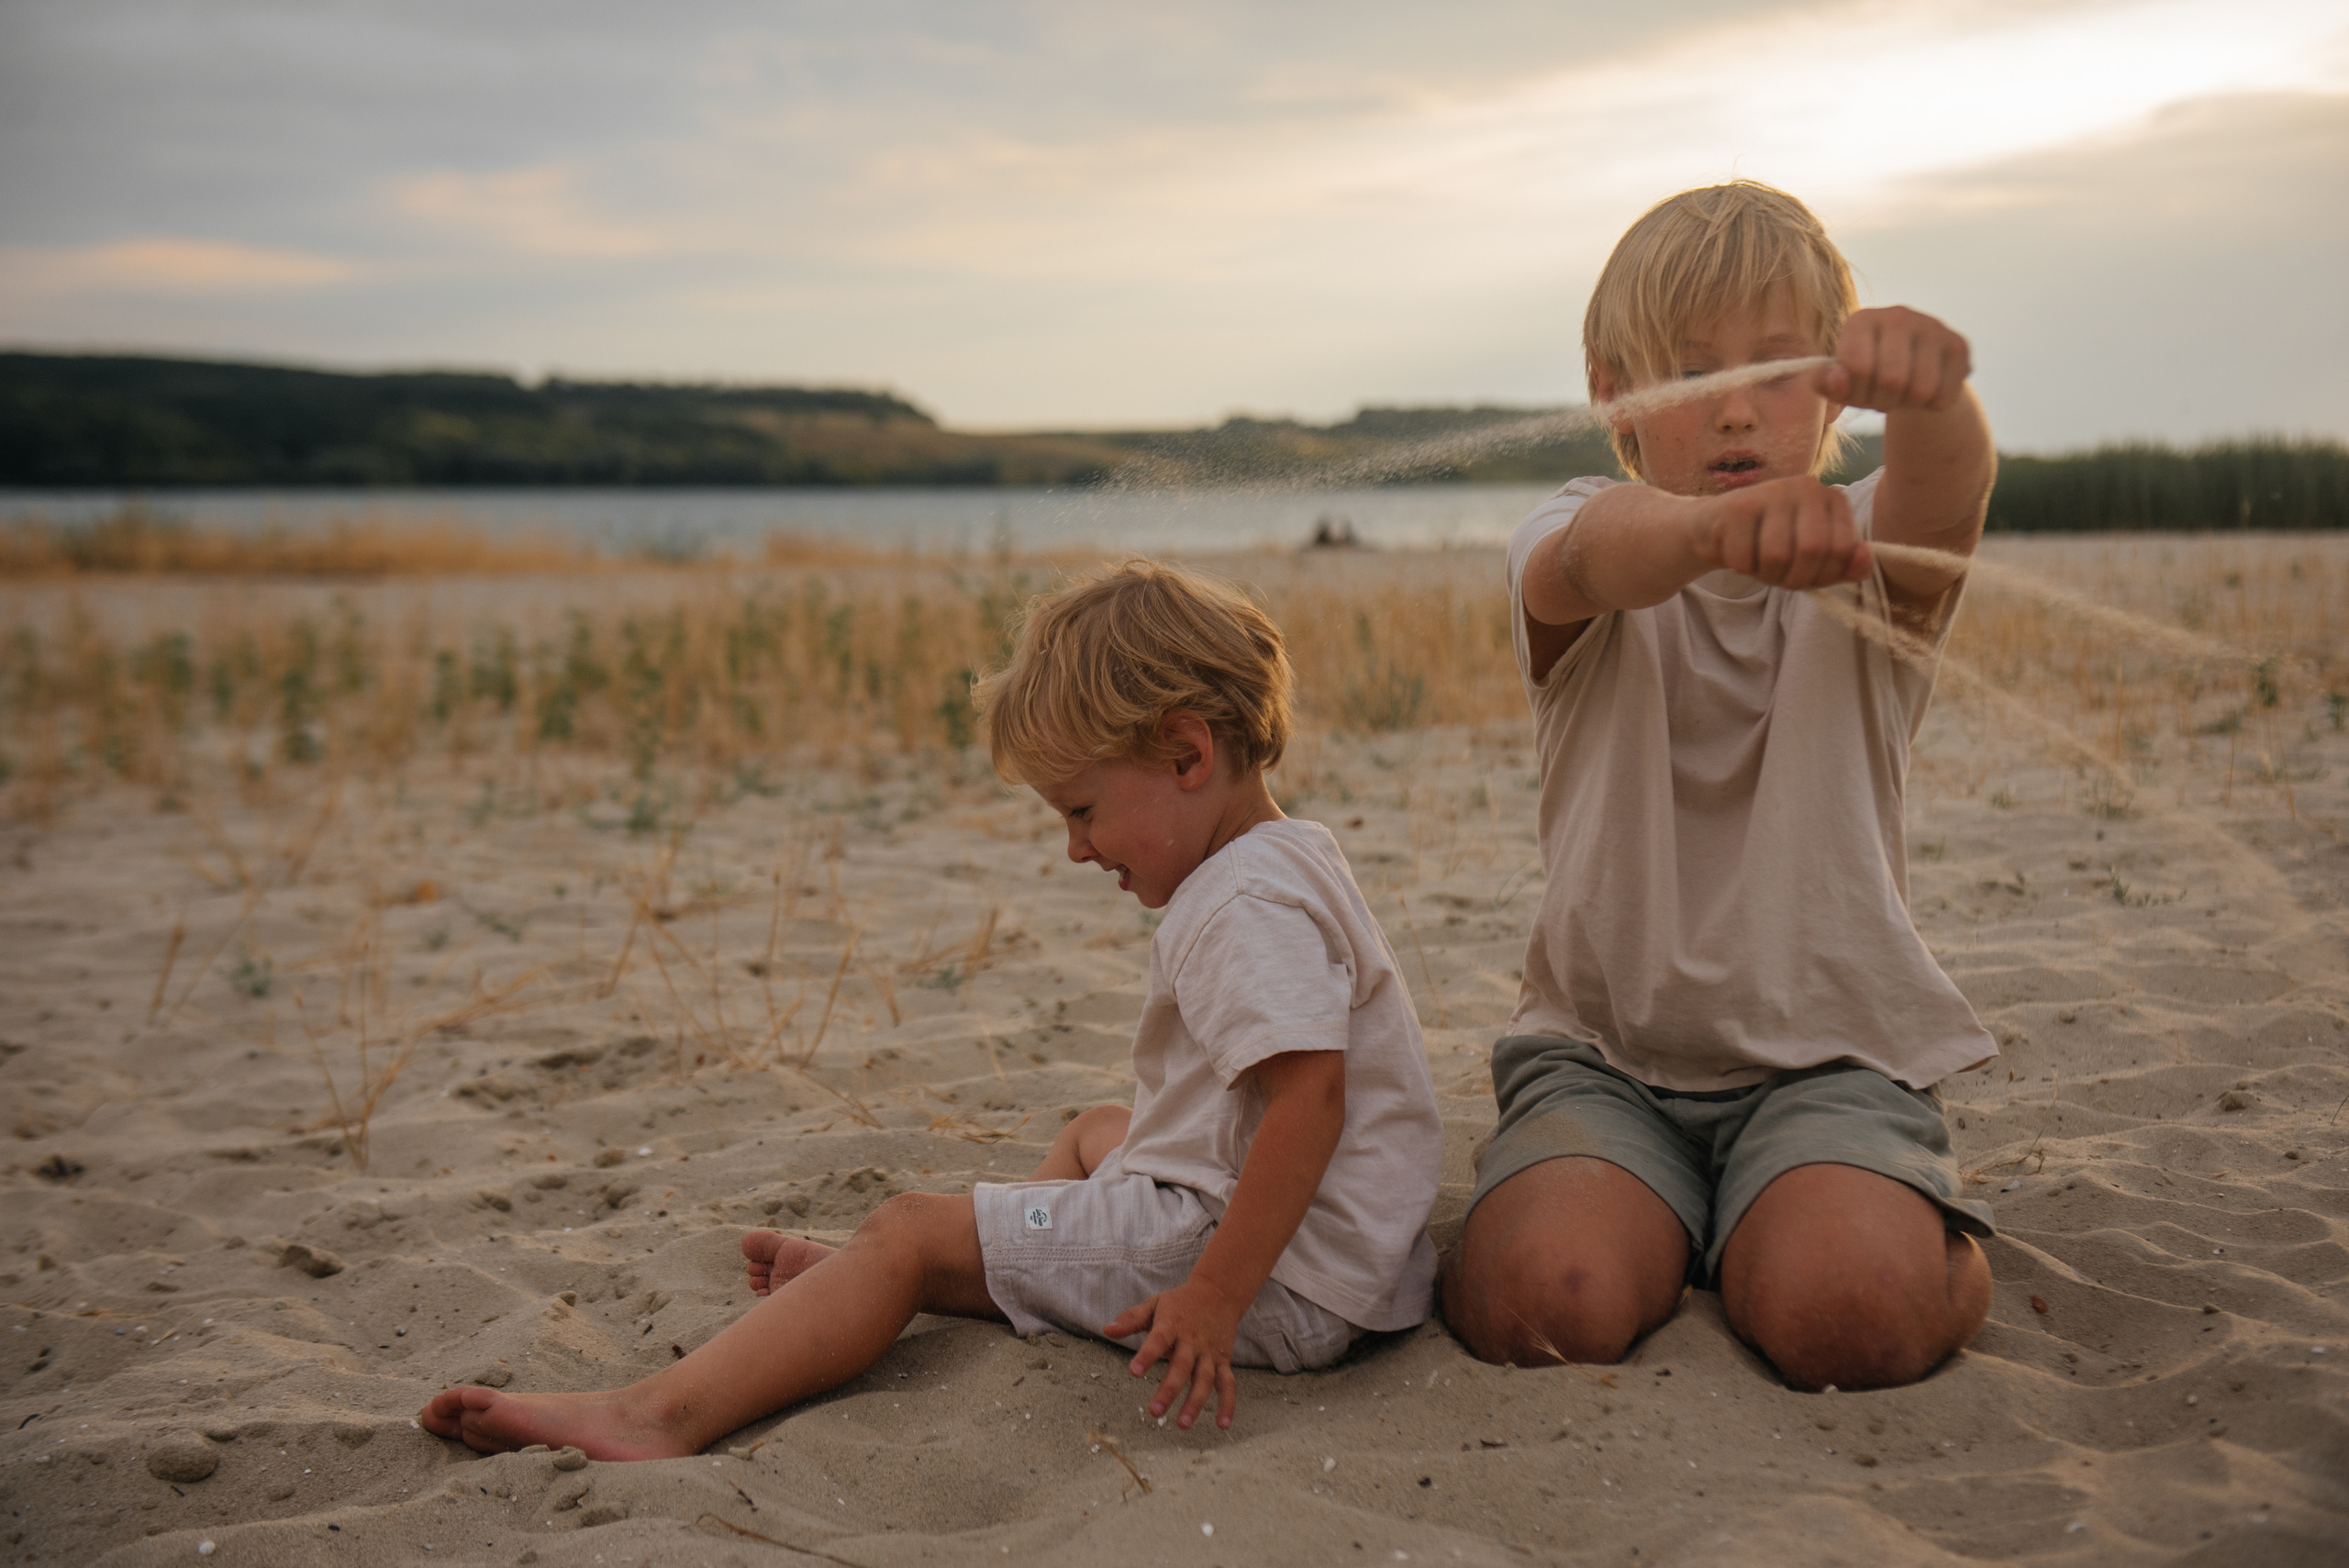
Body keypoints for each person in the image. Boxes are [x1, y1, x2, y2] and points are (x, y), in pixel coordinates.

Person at [420, 560, 1442, 1459]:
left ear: (1185, 754)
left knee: (906, 1231)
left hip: (1269, 1274)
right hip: (1343, 1261)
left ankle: (657, 1412)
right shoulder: (1287, 854)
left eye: (1082, 810)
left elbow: (1310, 1099)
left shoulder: (1240, 906)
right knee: (1092, 1132)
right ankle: (998, 1265)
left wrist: (1214, 1297)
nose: (1077, 848)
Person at [1441, 180, 1998, 1393]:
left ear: (1837, 387)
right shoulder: (1581, 528)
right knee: (1545, 1304)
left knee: (1850, 1315)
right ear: (1614, 390)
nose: (1736, 409)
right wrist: (1709, 538)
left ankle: (1855, 1231)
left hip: (1830, 1063)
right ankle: (1674, 1218)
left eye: (1779, 368)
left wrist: (1937, 398)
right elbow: (1596, 560)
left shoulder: (1865, 545)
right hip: (1603, 1057)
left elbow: (1946, 496)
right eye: (1690, 376)